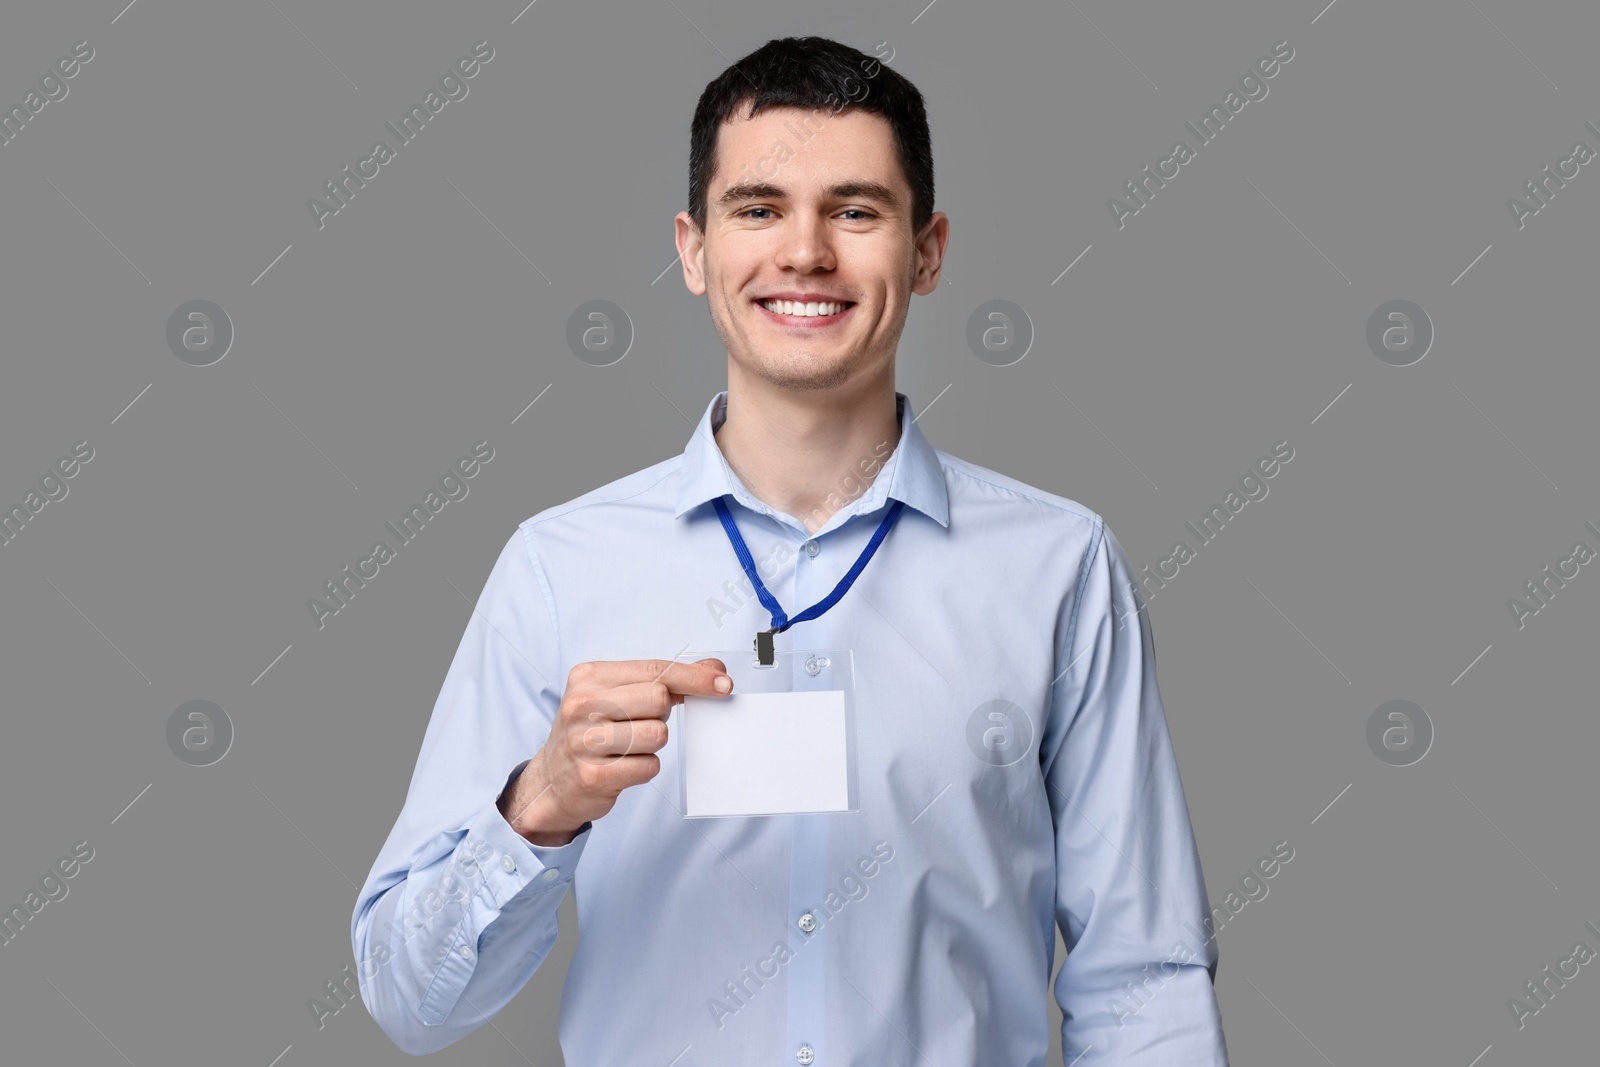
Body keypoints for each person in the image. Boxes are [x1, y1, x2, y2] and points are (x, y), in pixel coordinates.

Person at [351, 35, 1230, 1066]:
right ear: (692, 249)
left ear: (928, 249)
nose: (804, 252)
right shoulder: (557, 569)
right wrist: (536, 808)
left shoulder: (1059, 568)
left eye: (855, 210)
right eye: (758, 208)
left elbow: (1143, 977)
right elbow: (411, 1003)